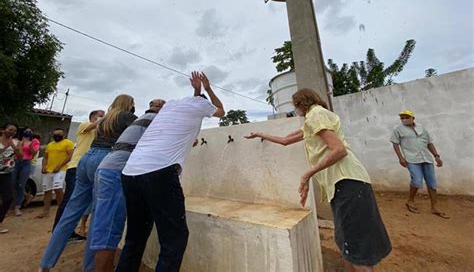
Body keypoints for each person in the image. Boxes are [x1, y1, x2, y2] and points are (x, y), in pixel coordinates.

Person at [245, 88, 391, 272]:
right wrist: (260, 134)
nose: (295, 110)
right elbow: (285, 140)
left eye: (295, 106)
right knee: (347, 242)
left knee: (354, 247)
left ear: (300, 104)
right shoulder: (313, 121)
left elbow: (339, 150)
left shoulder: (316, 114)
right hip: (347, 183)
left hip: (347, 181)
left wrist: (308, 174)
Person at [117, 72, 224, 272]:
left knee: (135, 237)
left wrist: (197, 90)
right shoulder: (201, 105)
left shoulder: (172, 105)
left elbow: (194, 102)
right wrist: (207, 89)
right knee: (174, 239)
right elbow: (221, 111)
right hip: (158, 172)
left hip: (130, 171)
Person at [39, 94, 136, 272]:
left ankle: (46, 263)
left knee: (70, 212)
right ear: (129, 105)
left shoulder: (104, 119)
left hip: (87, 159)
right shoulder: (126, 117)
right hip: (107, 159)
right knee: (100, 215)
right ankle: (90, 267)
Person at [91, 99, 165, 272]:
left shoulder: (140, 121)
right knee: (108, 232)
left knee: (105, 227)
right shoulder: (153, 121)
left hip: (107, 168)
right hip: (116, 173)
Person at [52, 110, 105, 243]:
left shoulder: (100, 133)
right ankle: (60, 233)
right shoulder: (84, 126)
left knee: (80, 201)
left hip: (89, 167)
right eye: (100, 115)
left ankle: (67, 232)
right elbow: (93, 126)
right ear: (93, 117)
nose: (103, 118)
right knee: (70, 200)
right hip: (76, 167)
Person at [390, 110, 449, 219]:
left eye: (406, 117)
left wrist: (436, 156)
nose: (404, 119)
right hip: (411, 159)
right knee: (417, 181)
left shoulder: (422, 128)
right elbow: (395, 144)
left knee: (432, 183)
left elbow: (429, 143)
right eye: (402, 118)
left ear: (413, 118)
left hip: (426, 158)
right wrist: (401, 158)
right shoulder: (398, 130)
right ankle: (410, 201)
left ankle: (435, 207)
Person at [36, 128, 74, 219]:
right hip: (49, 170)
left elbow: (70, 156)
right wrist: (43, 167)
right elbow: (45, 157)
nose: (56, 136)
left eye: (59, 134)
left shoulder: (68, 143)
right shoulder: (50, 145)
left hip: (61, 170)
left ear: (63, 135)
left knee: (58, 188)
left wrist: (59, 166)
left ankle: (61, 209)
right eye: (55, 134)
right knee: (47, 190)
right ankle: (45, 211)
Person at [13, 128, 40, 216]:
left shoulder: (34, 141)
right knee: (13, 183)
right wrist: (20, 144)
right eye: (26, 131)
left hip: (26, 163)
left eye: (30, 131)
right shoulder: (17, 140)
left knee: (21, 184)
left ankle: (17, 206)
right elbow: (15, 151)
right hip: (16, 162)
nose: (28, 133)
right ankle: (27, 196)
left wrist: (30, 145)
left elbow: (34, 153)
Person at [0, 123, 21, 233]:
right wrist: (7, 147)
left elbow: (20, 156)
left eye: (14, 130)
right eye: (10, 129)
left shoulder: (16, 142)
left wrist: (15, 148)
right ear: (3, 130)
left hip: (7, 173)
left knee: (8, 198)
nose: (12, 132)